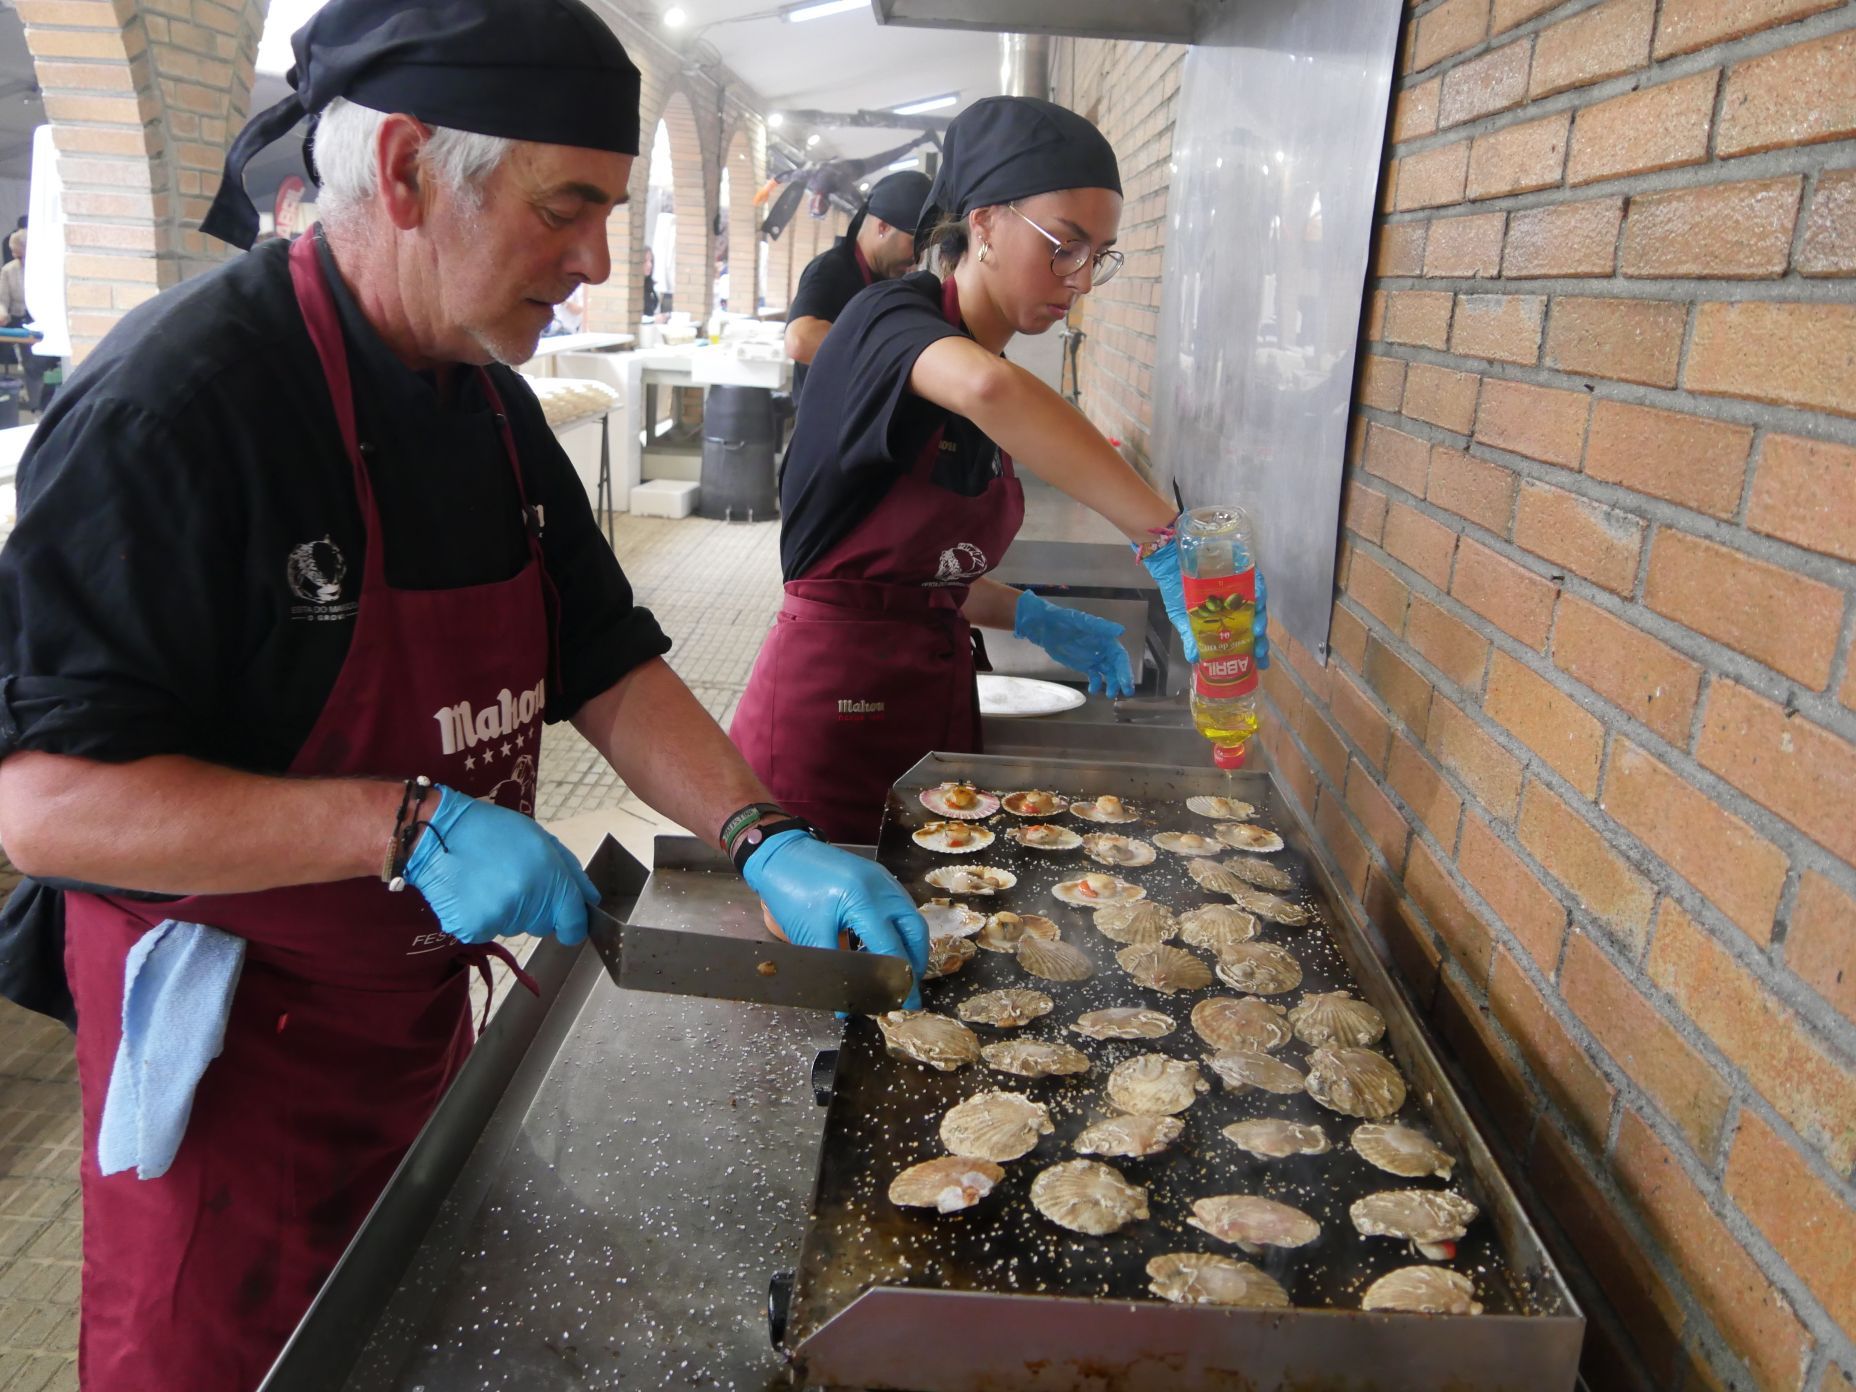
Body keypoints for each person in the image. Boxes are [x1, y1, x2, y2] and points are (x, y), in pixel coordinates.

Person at [0, 2, 927, 1387]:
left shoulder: (484, 397)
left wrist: (764, 837)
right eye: (568, 206)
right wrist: (403, 827)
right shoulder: (176, 407)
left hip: (412, 1028)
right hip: (235, 1075)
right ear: (407, 171)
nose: (599, 258)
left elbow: (603, 660)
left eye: (612, 210)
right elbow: (45, 810)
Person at [730, 97, 1268, 845]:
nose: (1079, 279)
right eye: (1064, 244)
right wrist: (1168, 539)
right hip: (831, 720)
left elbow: (910, 578)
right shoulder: (890, 320)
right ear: (981, 222)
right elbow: (988, 390)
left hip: (930, 701)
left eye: (1098, 255)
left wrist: (1033, 616)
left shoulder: (979, 364)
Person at [784, 168, 930, 403]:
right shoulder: (831, 268)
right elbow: (800, 340)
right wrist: (893, 356)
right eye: (913, 243)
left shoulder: (884, 278)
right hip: (825, 429)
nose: (917, 257)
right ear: (883, 227)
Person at [0, 229, 45, 411]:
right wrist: (2, 313)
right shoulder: (8, 271)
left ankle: (41, 402)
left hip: (41, 319)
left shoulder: (44, 267)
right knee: (30, 362)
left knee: (37, 363)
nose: (14, 256)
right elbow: (2, 301)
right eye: (13, 253)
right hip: (18, 319)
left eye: (18, 253)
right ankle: (35, 406)